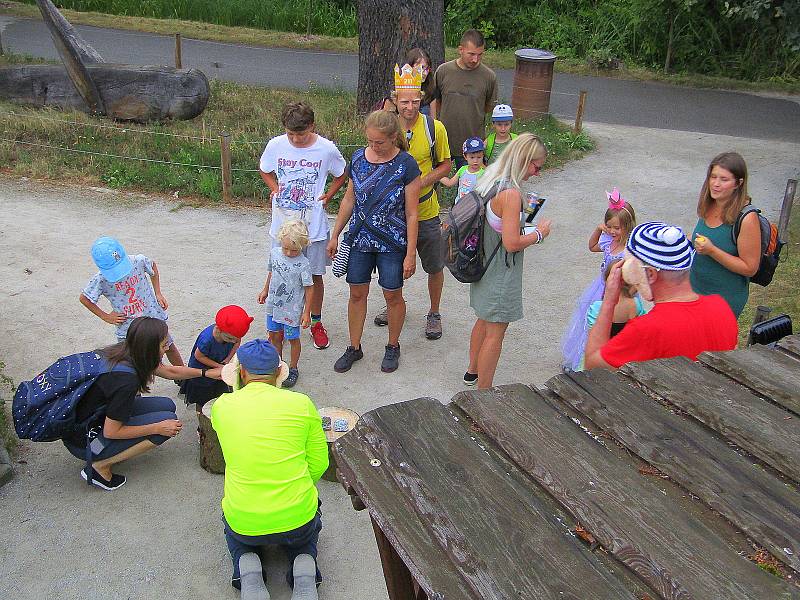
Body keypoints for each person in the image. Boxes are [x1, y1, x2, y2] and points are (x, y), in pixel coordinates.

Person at [211, 339, 327, 600]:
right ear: (278, 372)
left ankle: (247, 564)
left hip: (246, 522)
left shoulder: (222, 407)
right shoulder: (302, 404)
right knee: (307, 529)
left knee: (235, 529)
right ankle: (305, 562)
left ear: (241, 373)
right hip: (297, 519)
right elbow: (320, 463)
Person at [63, 317, 221, 491]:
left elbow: (169, 371)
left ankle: (117, 447)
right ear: (150, 348)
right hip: (87, 441)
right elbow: (111, 431)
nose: (167, 347)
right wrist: (156, 428)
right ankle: (99, 467)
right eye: (163, 345)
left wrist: (207, 373)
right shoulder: (126, 381)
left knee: (167, 406)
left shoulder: (126, 351)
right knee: (166, 424)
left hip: (94, 418)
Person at [327, 110, 421, 374]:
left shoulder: (407, 165)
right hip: (360, 240)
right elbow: (349, 200)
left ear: (393, 138)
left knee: (392, 294)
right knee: (356, 293)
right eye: (370, 141)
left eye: (379, 142)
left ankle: (392, 345)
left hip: (392, 243)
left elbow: (413, 213)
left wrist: (410, 253)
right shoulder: (357, 158)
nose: (373, 147)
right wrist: (335, 234)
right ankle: (354, 347)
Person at [584, 222, 738, 370]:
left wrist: (609, 301)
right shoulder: (722, 307)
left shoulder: (646, 330)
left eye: (629, 265)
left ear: (650, 274)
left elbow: (592, 363)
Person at [372, 63, 452, 340]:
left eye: (416, 101)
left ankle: (434, 312)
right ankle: (394, 305)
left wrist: (420, 182)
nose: (410, 107)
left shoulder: (434, 128)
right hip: (395, 214)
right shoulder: (389, 127)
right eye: (405, 101)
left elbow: (446, 165)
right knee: (393, 264)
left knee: (434, 265)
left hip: (426, 209)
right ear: (395, 100)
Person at [259, 101, 348, 351]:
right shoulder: (275, 145)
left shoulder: (326, 149)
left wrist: (328, 195)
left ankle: (316, 322)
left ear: (312, 126)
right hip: (283, 225)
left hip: (314, 228)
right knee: (279, 270)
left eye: (301, 133)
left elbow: (342, 173)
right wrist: (275, 188)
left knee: (314, 276)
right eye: (291, 134)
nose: (296, 140)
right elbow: (265, 169)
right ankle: (278, 321)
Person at [465, 133, 552, 389]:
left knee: (483, 319)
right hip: (502, 271)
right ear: (524, 159)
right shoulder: (511, 194)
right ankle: (484, 392)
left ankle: (472, 371)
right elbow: (511, 242)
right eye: (536, 166)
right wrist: (539, 233)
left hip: (483, 264)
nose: (536, 172)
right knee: (496, 331)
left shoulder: (490, 177)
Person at [79, 236, 184, 368]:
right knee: (131, 360)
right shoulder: (101, 278)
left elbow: (152, 267)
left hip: (151, 317)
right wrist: (105, 316)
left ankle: (184, 378)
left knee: (169, 347)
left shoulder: (137, 261)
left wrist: (158, 293)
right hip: (128, 327)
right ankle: (133, 386)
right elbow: (84, 298)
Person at [562, 188, 636, 371]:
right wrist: (598, 229)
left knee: (611, 325)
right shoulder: (608, 241)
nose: (611, 231)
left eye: (616, 228)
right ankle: (581, 360)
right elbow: (592, 246)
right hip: (600, 288)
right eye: (609, 226)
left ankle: (608, 359)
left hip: (619, 291)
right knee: (591, 324)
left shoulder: (629, 248)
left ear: (627, 226)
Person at [690, 152, 761, 317]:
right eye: (713, 177)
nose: (715, 184)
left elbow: (750, 268)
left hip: (724, 300)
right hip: (695, 291)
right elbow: (706, 238)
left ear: (738, 183)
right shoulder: (709, 204)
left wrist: (712, 251)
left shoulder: (747, 218)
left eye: (724, 179)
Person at [258, 219, 315, 388]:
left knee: (293, 338)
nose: (289, 253)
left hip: (292, 310)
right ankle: (278, 364)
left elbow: (309, 288)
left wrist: (306, 312)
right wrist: (265, 290)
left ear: (303, 246)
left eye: (294, 250)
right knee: (274, 335)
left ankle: (293, 367)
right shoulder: (275, 253)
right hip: (274, 306)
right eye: (286, 248)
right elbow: (271, 272)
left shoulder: (303, 264)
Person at [430, 29, 498, 169]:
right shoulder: (443, 71)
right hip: (444, 141)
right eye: (471, 54)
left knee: (471, 186)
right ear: (460, 50)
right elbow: (436, 101)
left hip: (473, 145)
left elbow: (488, 107)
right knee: (435, 181)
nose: (475, 59)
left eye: (480, 55)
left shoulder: (489, 77)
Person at [577, 259, 647, 370]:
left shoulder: (597, 307)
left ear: (607, 280)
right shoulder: (636, 304)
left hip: (602, 356)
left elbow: (592, 334)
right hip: (625, 356)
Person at [182, 305, 253, 414]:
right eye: (230, 339)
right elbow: (199, 356)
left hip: (220, 364)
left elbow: (237, 342)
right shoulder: (207, 340)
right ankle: (202, 420)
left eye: (236, 339)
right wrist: (219, 366)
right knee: (202, 398)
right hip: (202, 369)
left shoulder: (233, 335)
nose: (233, 341)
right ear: (219, 329)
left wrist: (227, 359)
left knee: (219, 392)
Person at [377, 48, 435, 115]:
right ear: (409, 66)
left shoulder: (430, 90)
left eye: (427, 69)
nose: (425, 73)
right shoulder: (396, 90)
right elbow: (386, 121)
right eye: (421, 68)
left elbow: (433, 119)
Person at [440, 136, 486, 202]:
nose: (475, 161)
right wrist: (437, 176)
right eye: (472, 157)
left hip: (474, 207)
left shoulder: (483, 173)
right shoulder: (463, 170)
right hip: (460, 205)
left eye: (479, 157)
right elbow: (450, 182)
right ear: (465, 156)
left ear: (483, 156)